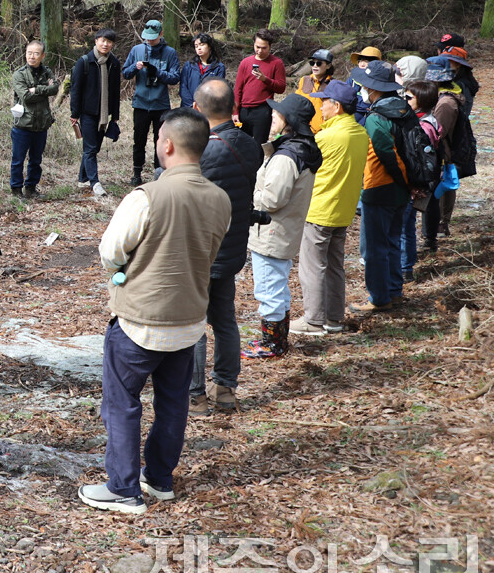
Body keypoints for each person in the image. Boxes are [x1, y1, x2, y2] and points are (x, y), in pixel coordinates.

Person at [79, 109, 231, 514]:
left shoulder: (146, 196)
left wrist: (120, 275)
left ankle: (123, 488)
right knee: (173, 402)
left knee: (122, 402)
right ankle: (159, 478)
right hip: (189, 322)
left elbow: (111, 251)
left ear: (166, 145)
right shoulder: (220, 199)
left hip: (139, 323)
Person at [188, 79, 262, 414]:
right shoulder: (250, 146)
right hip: (232, 246)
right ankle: (226, 388)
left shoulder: (200, 149)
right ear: (234, 108)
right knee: (225, 320)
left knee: (192, 323)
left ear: (196, 108)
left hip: (200, 249)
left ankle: (195, 395)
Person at [240, 94, 322, 359]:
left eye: (278, 114)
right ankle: (278, 339)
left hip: (273, 231)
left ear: (290, 121)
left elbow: (272, 199)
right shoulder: (300, 148)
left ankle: (273, 344)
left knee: (268, 288)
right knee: (277, 285)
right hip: (284, 230)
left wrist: (248, 196)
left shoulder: (287, 156)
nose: (272, 116)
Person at [291, 80, 370, 336]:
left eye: (324, 102)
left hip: (319, 209)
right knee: (335, 266)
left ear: (336, 107)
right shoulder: (360, 133)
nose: (320, 106)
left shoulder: (327, 136)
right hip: (343, 211)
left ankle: (313, 320)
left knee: (313, 266)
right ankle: (333, 319)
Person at [348, 60, 410, 315]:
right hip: (402, 191)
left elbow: (385, 152)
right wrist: (407, 182)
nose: (363, 89)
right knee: (393, 241)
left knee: (373, 247)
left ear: (374, 89)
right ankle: (394, 291)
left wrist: (398, 177)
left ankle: (378, 297)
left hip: (379, 186)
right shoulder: (404, 109)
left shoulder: (376, 118)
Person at [121, 20, 181, 185]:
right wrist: (135, 67)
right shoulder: (137, 50)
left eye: (153, 38)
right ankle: (136, 173)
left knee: (160, 140)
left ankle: (159, 173)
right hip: (140, 103)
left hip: (160, 105)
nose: (149, 40)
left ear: (161, 34)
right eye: (147, 38)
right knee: (138, 140)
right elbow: (125, 73)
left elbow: (175, 78)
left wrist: (158, 72)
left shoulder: (170, 53)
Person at [398, 81, 442, 283]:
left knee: (405, 226)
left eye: (408, 97)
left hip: (415, 184)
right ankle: (406, 264)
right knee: (407, 225)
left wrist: (413, 184)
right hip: (419, 183)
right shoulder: (426, 121)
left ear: (422, 101)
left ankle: (405, 267)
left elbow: (418, 159)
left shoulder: (423, 127)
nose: (404, 100)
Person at [70, 29, 121, 197]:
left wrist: (115, 116)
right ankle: (95, 183)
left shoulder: (114, 63)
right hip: (87, 113)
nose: (105, 44)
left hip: (104, 114)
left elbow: (115, 91)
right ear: (96, 40)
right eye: (102, 40)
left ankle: (82, 178)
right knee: (90, 148)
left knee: (93, 148)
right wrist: (74, 113)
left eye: (109, 41)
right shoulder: (84, 62)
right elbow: (76, 89)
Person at [424, 68, 468, 248]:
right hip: (444, 151)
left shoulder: (445, 104)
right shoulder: (445, 99)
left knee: (441, 189)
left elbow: (438, 133)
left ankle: (439, 225)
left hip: (444, 152)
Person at [9, 41, 59, 199]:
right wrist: (45, 90)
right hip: (23, 124)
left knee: (36, 160)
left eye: (36, 53)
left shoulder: (47, 72)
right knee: (18, 160)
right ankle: (16, 190)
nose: (32, 56)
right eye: (29, 52)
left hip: (41, 124)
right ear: (25, 53)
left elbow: (55, 89)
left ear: (42, 56)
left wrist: (37, 89)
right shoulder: (19, 74)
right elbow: (26, 97)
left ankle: (31, 188)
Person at [232, 30, 287, 147]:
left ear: (270, 47)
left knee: (259, 146)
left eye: (264, 48)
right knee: (240, 145)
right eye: (257, 47)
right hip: (243, 110)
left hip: (262, 110)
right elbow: (238, 89)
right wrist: (235, 112)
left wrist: (265, 79)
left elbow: (281, 88)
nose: (260, 51)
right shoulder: (245, 63)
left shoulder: (277, 63)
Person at [178, 33, 225, 108]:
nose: (199, 48)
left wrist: (203, 106)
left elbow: (218, 91)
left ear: (209, 46)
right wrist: (192, 105)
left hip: (208, 109)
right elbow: (183, 87)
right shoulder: (189, 65)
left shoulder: (219, 67)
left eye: (202, 45)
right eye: (196, 46)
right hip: (188, 109)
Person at [296, 49, 335, 133]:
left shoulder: (333, 84)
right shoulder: (304, 80)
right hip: (303, 129)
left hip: (324, 131)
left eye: (319, 63)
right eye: (312, 63)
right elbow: (296, 103)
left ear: (328, 66)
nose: (315, 66)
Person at [348, 45, 383, 123]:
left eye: (367, 61)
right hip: (351, 114)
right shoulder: (352, 80)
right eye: (360, 60)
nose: (362, 64)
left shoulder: (381, 82)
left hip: (371, 116)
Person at [440, 47, 479, 116]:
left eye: (449, 61)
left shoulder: (460, 85)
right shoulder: (461, 79)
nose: (444, 64)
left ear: (458, 64)